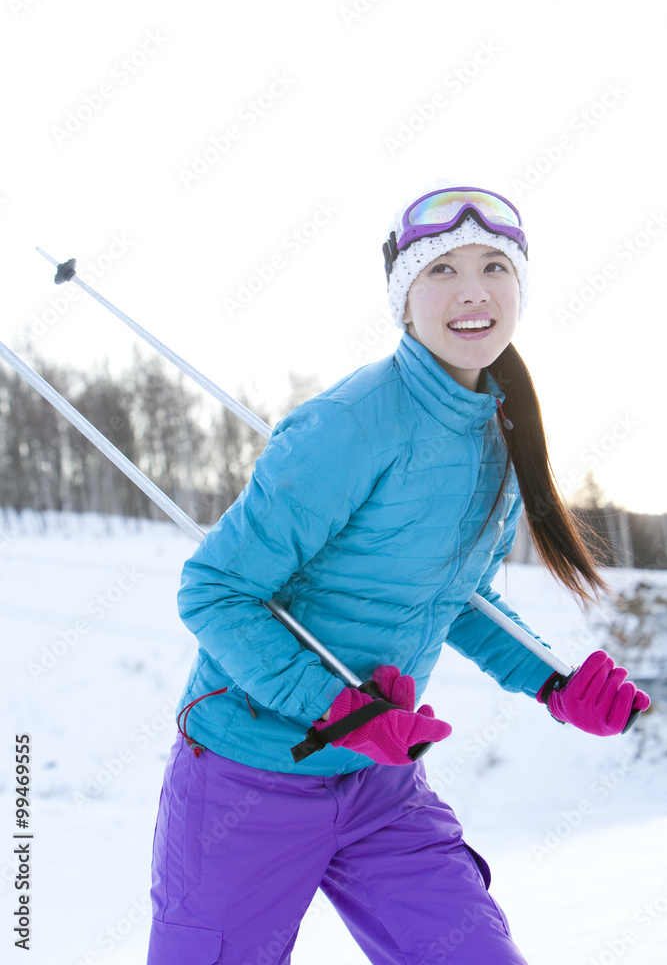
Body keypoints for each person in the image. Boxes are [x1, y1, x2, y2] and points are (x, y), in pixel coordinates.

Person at [145, 185, 650, 965]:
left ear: (520, 289)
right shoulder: (349, 424)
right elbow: (214, 591)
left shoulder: (501, 432)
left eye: (494, 267)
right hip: (247, 783)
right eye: (440, 269)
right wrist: (336, 708)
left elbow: (453, 597)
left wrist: (552, 681)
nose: (473, 290)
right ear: (402, 298)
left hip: (379, 785)